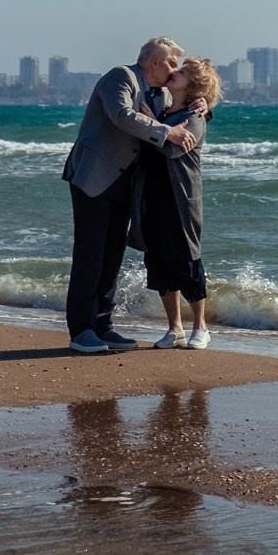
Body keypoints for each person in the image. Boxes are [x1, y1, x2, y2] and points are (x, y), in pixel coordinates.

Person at [61, 37, 197, 354]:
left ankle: (103, 326)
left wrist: (203, 106)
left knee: (111, 256)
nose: (174, 69)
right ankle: (81, 330)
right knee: (90, 254)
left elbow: (176, 113)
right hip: (94, 177)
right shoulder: (120, 77)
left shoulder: (162, 94)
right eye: (172, 63)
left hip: (126, 182)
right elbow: (122, 115)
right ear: (154, 62)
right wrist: (167, 132)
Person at [136, 55, 221, 350]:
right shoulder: (159, 106)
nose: (175, 72)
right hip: (152, 198)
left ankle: (201, 327)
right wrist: (154, 124)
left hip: (180, 200)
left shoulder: (194, 118)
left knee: (187, 262)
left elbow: (172, 151)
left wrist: (149, 125)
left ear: (194, 86)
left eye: (182, 72)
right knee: (158, 264)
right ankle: (175, 329)